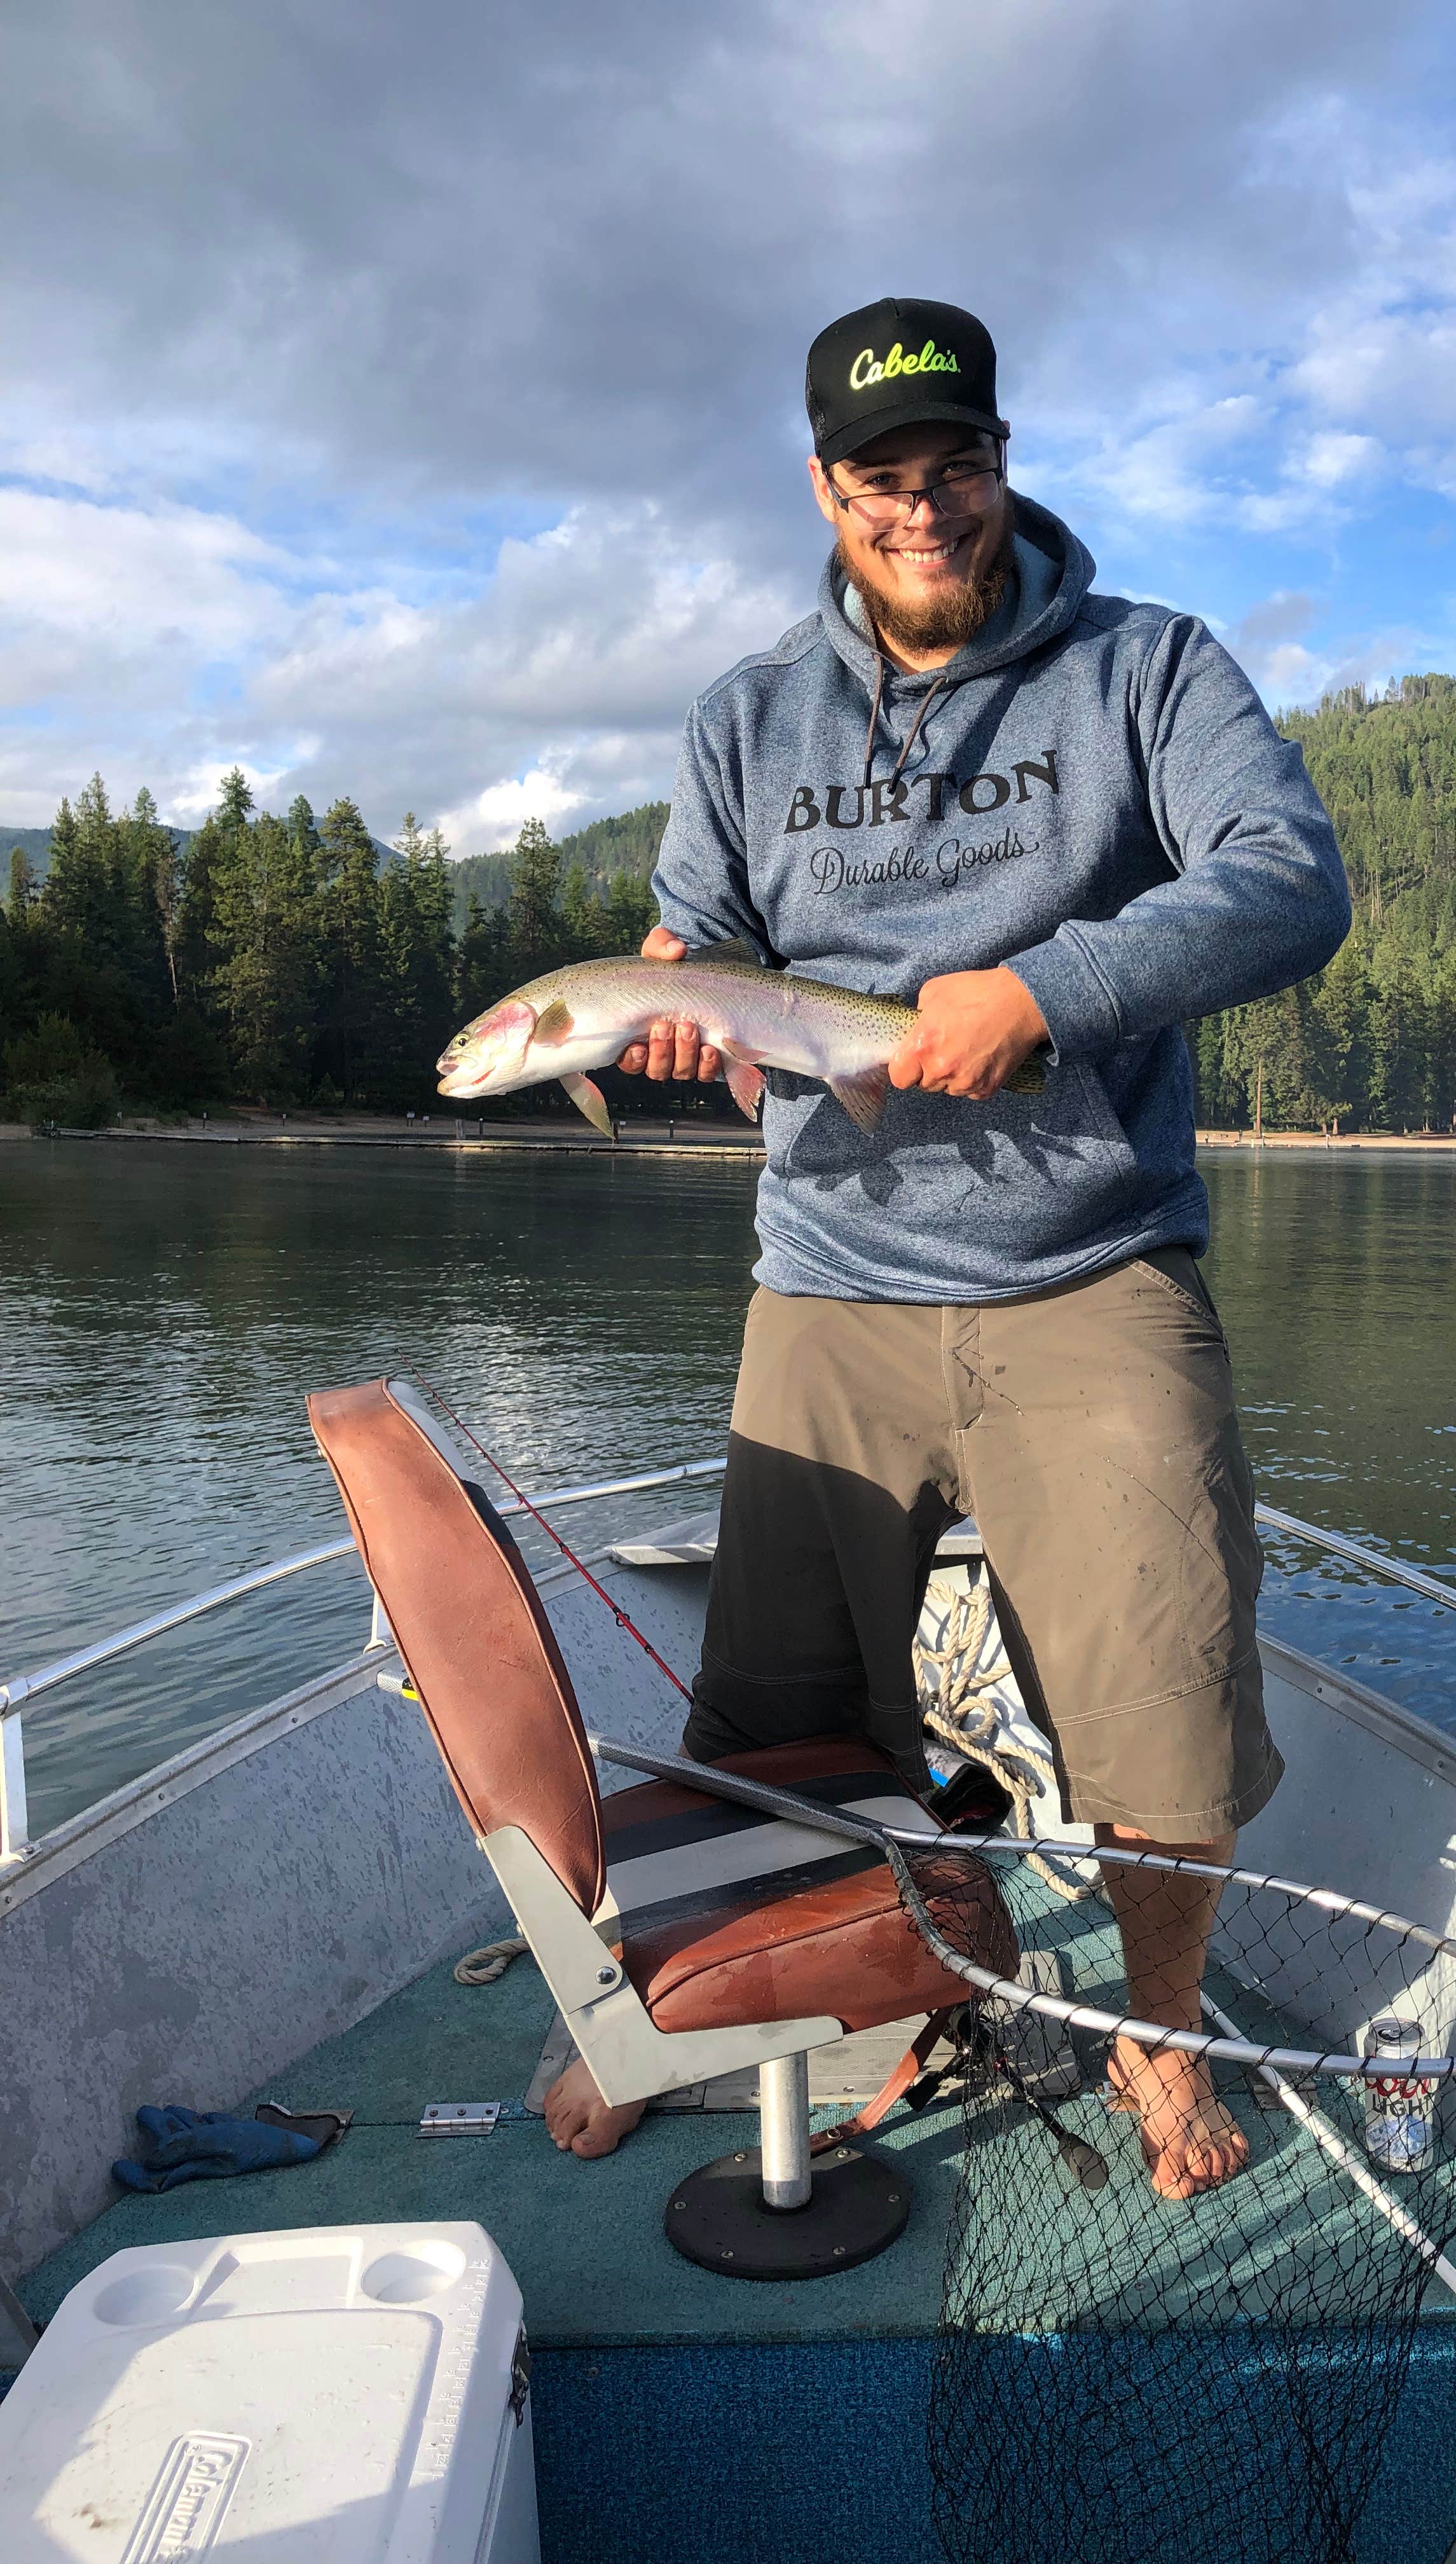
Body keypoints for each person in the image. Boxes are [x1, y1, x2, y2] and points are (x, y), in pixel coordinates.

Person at [543, 296, 1350, 2193]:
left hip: (1091, 1270)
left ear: (1005, 458)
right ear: (825, 488)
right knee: (771, 1711)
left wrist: (1049, 993)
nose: (927, 510)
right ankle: (702, 2009)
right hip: (827, 1277)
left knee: (1159, 1707)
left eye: (957, 466)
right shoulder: (747, 719)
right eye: (881, 480)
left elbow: (1288, 879)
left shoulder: (1149, 670)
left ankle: (1158, 2042)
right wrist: (676, 1026)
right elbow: (694, 948)